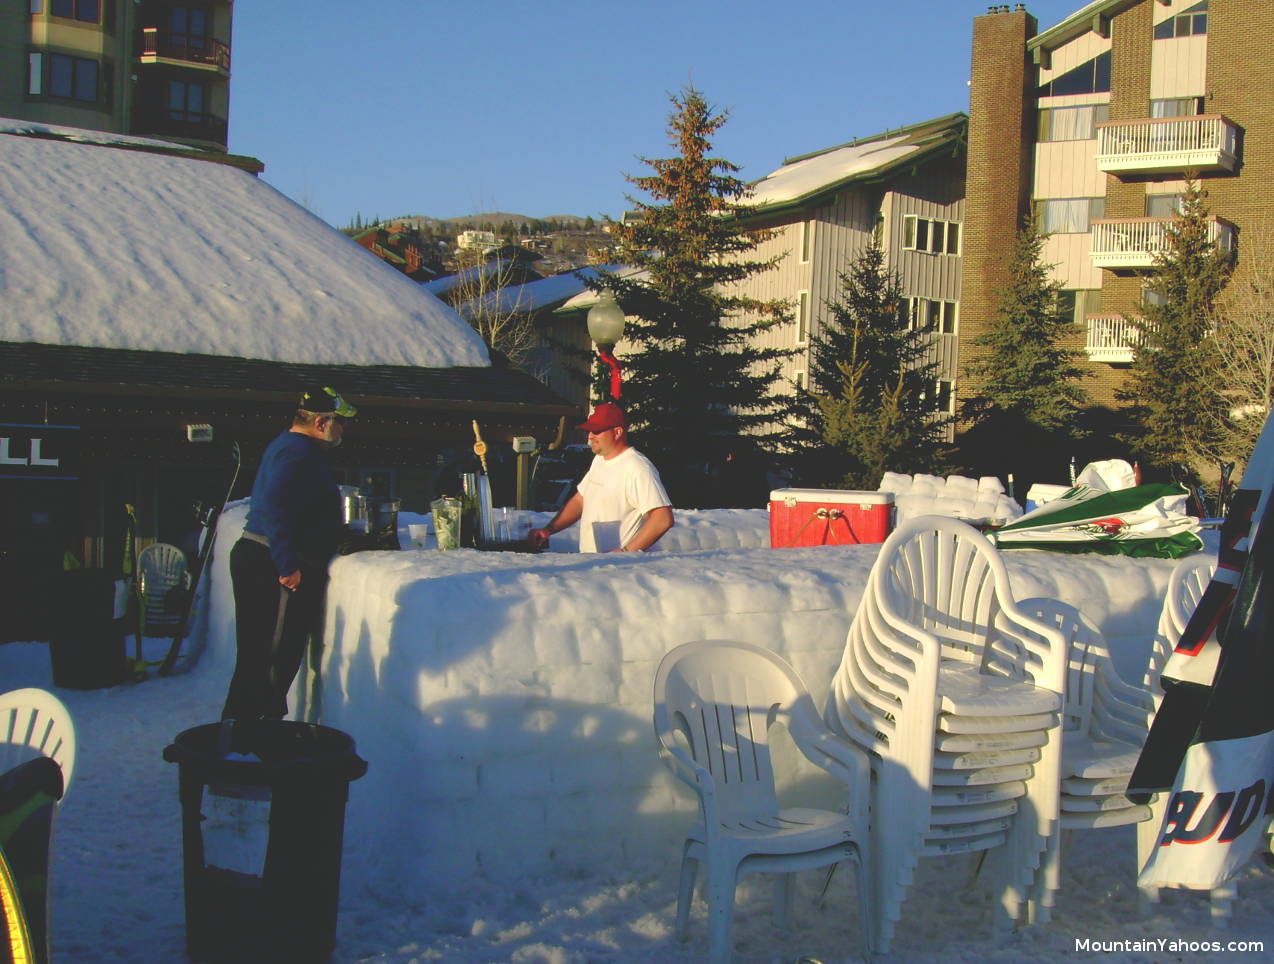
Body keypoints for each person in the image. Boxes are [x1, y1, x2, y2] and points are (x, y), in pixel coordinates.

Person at [222, 385, 356, 720]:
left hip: (264, 558)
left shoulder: (288, 446)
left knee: (258, 658)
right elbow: (273, 506)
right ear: (322, 423)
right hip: (269, 561)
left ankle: (239, 738)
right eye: (341, 423)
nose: (343, 430)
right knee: (270, 659)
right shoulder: (297, 452)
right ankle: (252, 739)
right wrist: (286, 564)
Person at [528, 402, 674, 553]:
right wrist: (549, 530)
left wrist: (626, 552)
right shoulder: (600, 460)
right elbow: (580, 500)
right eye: (589, 430)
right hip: (592, 565)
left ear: (617, 432)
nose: (590, 436)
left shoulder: (637, 468)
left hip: (621, 569)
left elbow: (662, 519)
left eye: (596, 431)